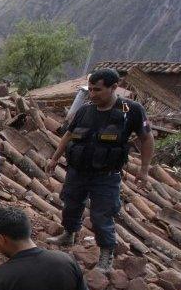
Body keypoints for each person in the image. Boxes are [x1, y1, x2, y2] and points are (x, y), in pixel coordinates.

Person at [46, 68, 154, 273]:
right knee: (70, 204)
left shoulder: (131, 110)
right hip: (77, 171)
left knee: (101, 215)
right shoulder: (85, 110)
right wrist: (54, 159)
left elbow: (147, 138)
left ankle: (106, 255)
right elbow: (68, 135)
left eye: (98, 90)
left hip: (106, 175)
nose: (93, 94)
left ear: (114, 88)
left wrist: (144, 169)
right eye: (91, 90)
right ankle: (69, 234)